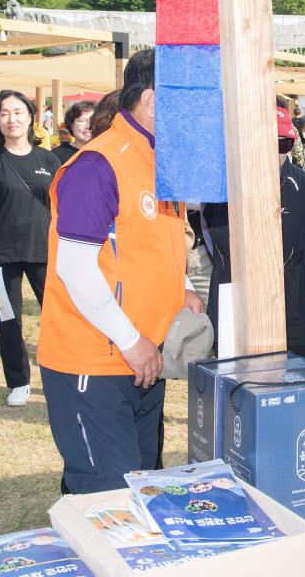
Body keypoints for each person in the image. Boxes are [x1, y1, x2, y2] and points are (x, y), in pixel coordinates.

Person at [37, 50, 203, 493]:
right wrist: (131, 342)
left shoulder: (158, 161)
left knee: (141, 488)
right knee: (108, 497)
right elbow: (75, 268)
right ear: (151, 102)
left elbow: (153, 238)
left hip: (145, 359)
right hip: (99, 359)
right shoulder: (98, 165)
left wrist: (182, 286)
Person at [204, 107, 305, 362]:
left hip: (291, 314)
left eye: (282, 143)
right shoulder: (221, 186)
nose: (272, 152)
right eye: (264, 142)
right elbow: (216, 243)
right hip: (234, 312)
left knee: (293, 392)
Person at [0, 91, 62, 407]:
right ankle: (18, 382)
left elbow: (61, 207)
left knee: (55, 317)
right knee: (8, 320)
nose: (13, 119)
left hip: (44, 250)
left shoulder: (48, 160)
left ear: (30, 117)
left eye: (19, 112)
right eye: (5, 113)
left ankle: (59, 376)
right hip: (2, 253)